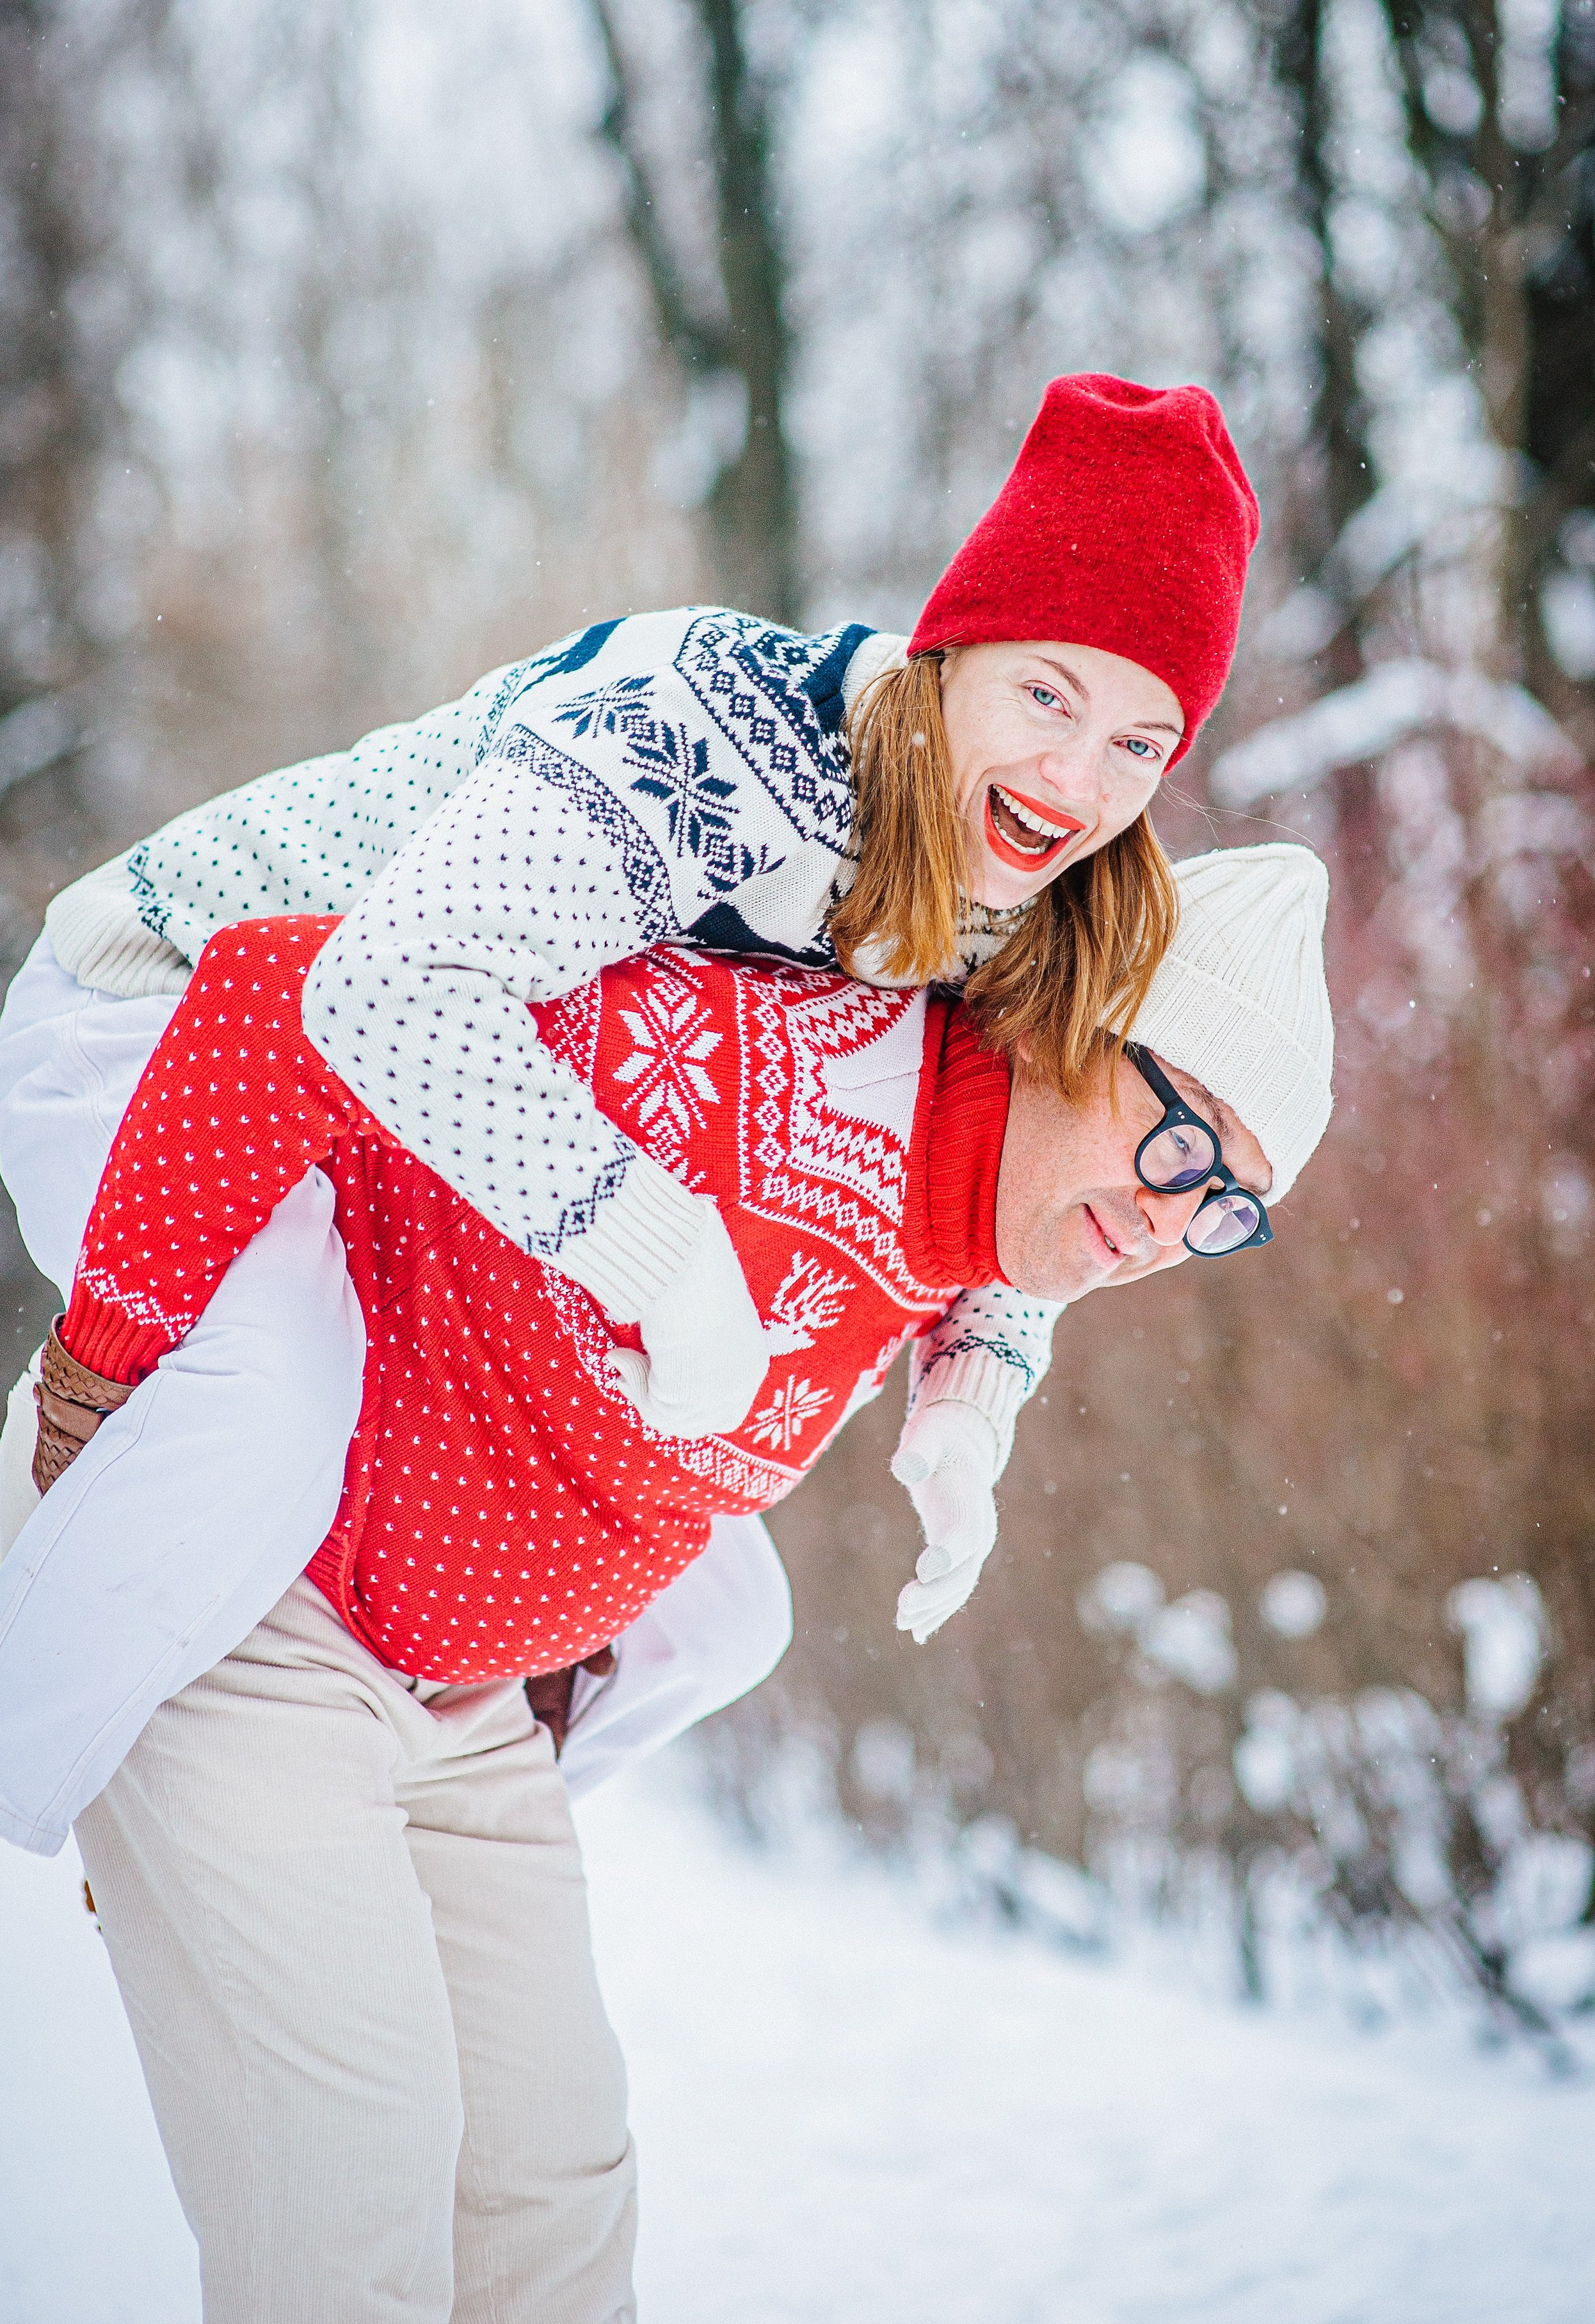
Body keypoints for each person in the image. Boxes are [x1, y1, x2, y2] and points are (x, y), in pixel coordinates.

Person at [0, 843, 1332, 2323]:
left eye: (1230, 1207)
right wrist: (93, 1384)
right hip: (262, 1618)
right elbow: (279, 990)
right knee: (347, 2185)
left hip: (477, 1707)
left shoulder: (984, 1219)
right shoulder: (739, 1050)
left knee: (551, 2210)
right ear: (1061, 1018)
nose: (1171, 1224)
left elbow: (1017, 1256)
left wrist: (962, 1417)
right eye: (1182, 1146)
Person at [36, 371, 1259, 1580]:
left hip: (368, 1130)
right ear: (952, 653)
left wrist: (971, 1398)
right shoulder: (709, 724)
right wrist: (670, 1268)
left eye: (1138, 746)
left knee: (716, 1613)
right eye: (1049, 694)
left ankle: (448, 1741)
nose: (1076, 782)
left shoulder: (1032, 887)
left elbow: (1059, 1152)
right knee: (267, 1427)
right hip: (160, 1017)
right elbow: (383, 988)